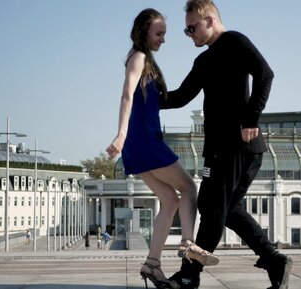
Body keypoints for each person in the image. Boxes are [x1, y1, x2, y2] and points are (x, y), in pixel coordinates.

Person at [161, 1, 292, 288]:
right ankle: (273, 260)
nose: (189, 34)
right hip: (225, 150)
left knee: (212, 208)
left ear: (209, 21)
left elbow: (265, 73)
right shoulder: (204, 61)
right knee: (227, 208)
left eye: (192, 28)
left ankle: (189, 274)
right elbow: (181, 96)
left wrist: (250, 119)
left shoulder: (234, 42)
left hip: (235, 147)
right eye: (186, 30)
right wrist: (146, 98)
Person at [106, 8, 219, 289]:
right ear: (144, 32)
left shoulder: (145, 61)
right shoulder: (139, 58)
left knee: (169, 200)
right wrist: (120, 134)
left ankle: (152, 264)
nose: (164, 39)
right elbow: (126, 95)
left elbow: (164, 99)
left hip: (140, 144)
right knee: (190, 188)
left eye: (165, 34)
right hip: (144, 142)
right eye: (159, 33)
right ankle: (188, 244)